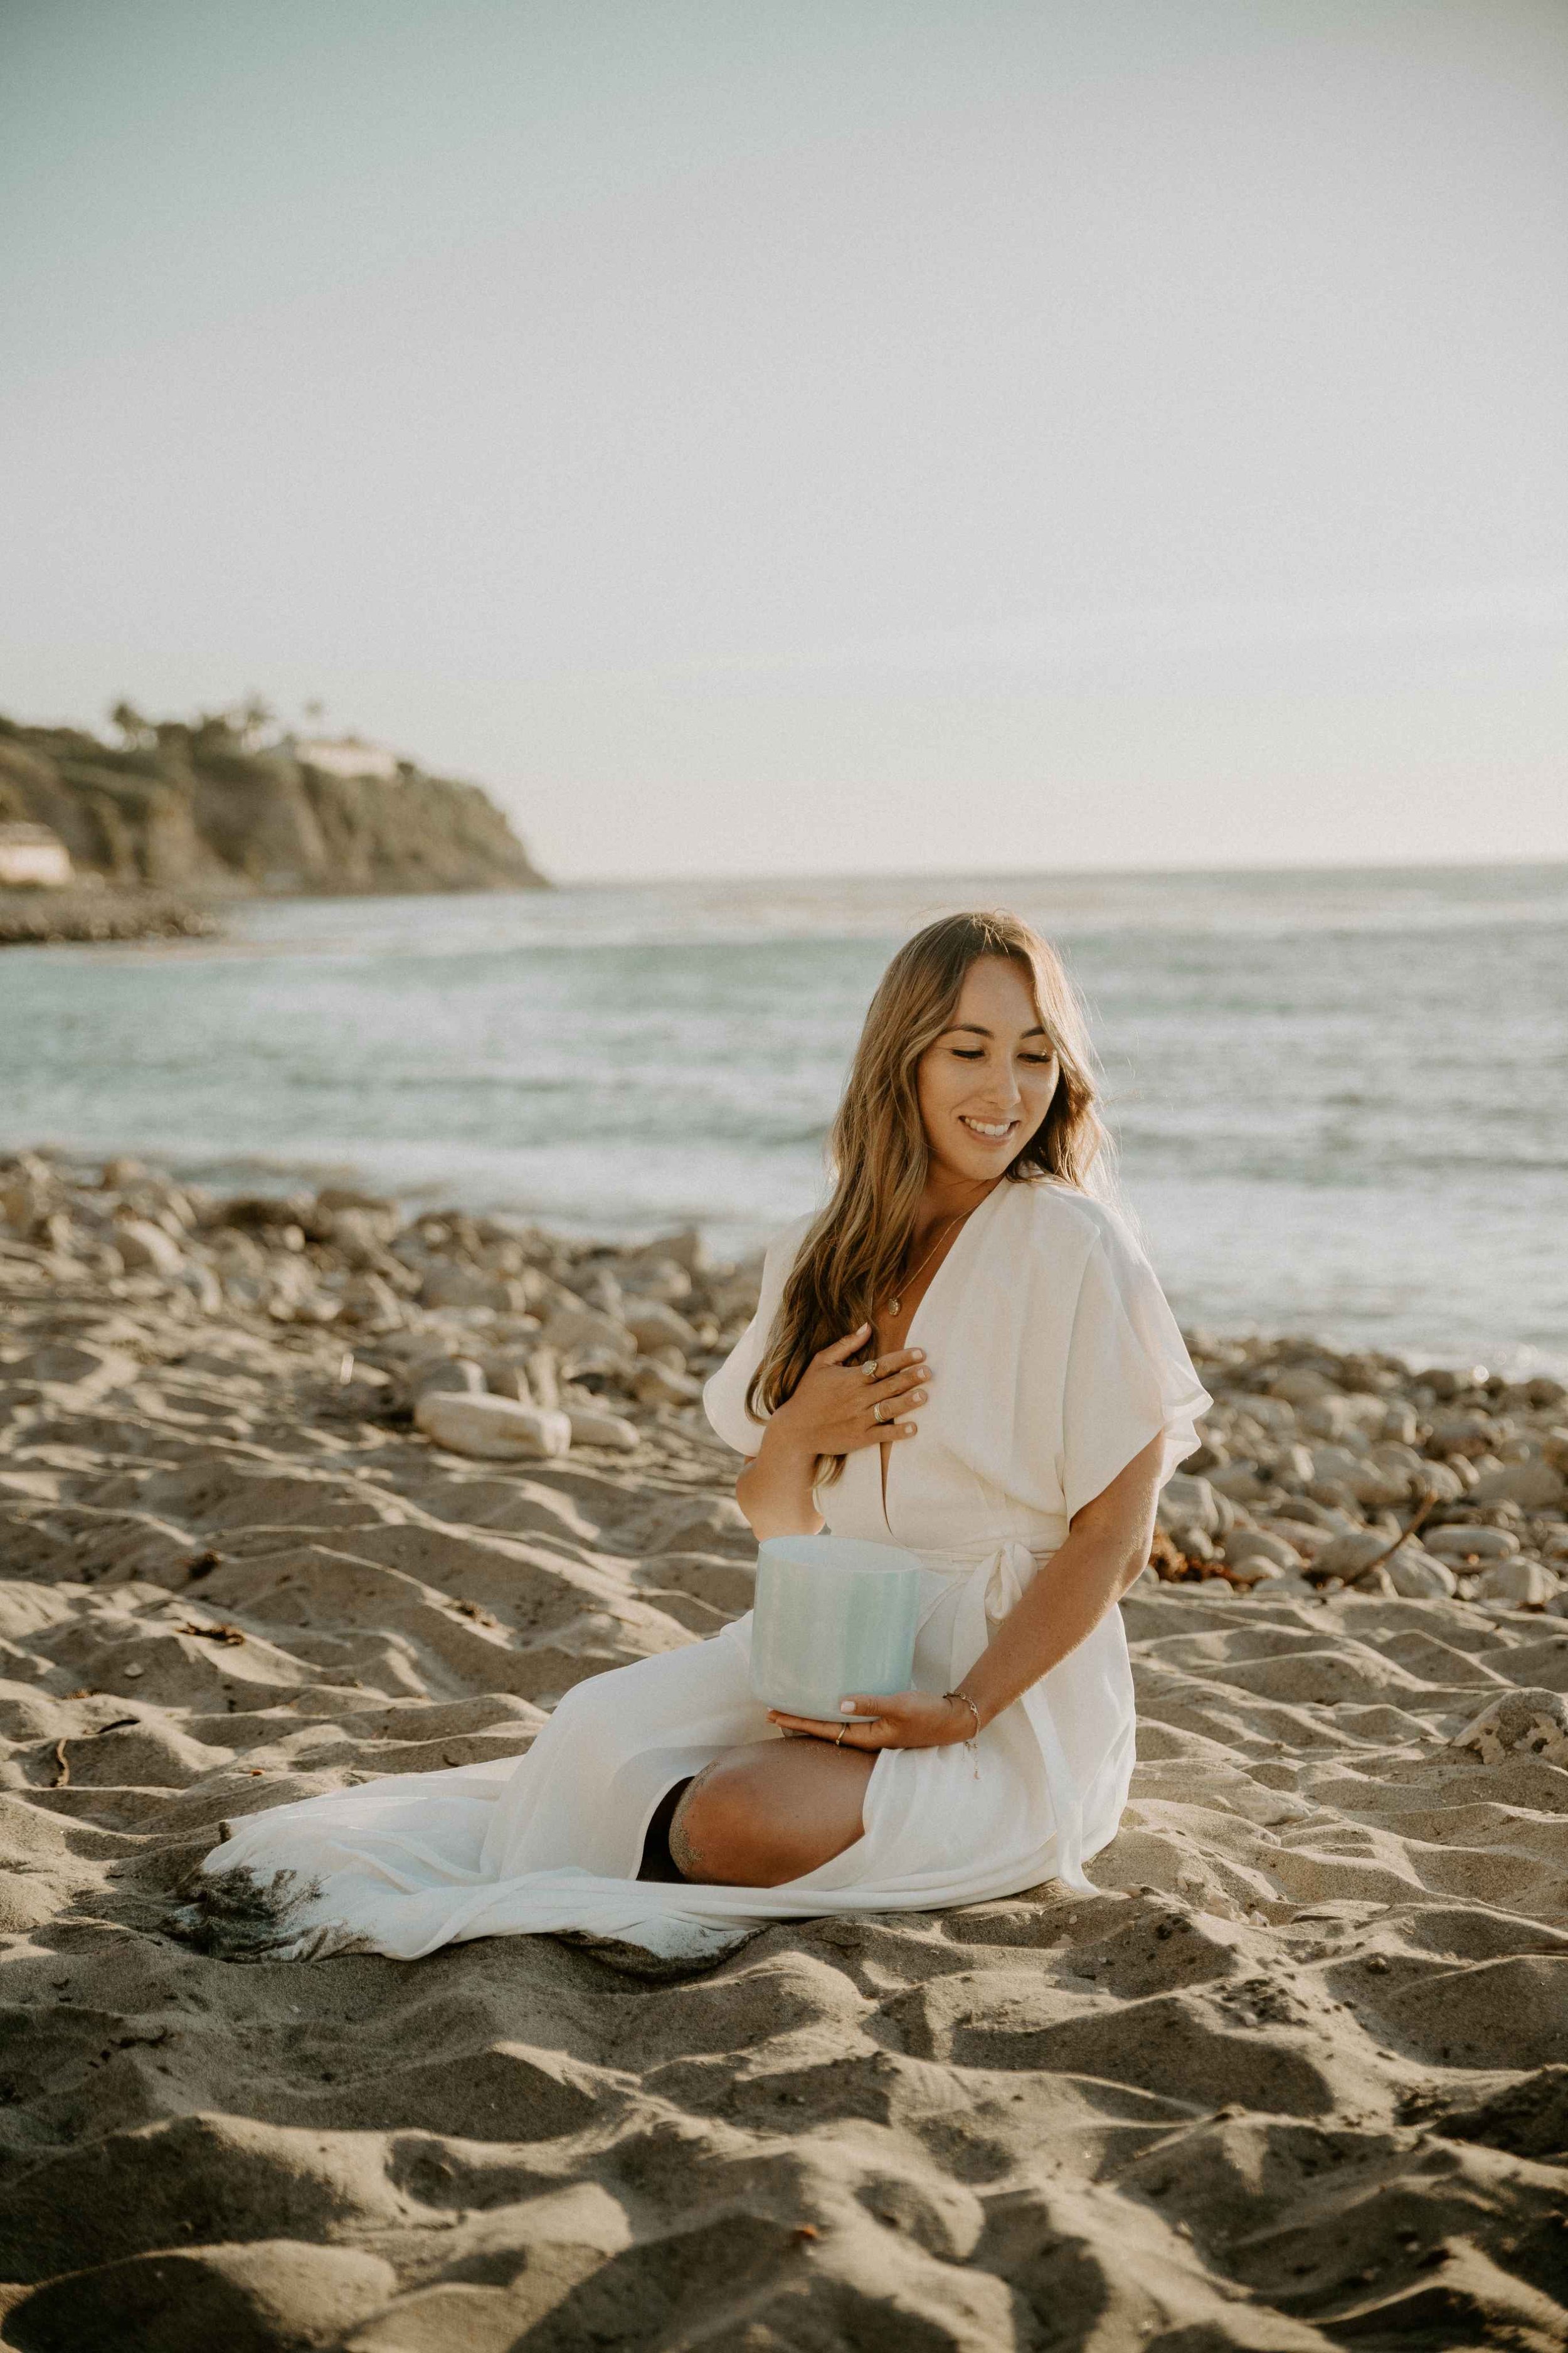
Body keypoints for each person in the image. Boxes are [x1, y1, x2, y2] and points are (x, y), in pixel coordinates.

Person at [191, 910, 1209, 1968]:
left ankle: (730, 1829)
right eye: (970, 1051)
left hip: (1012, 1703)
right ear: (901, 1058)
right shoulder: (829, 1251)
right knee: (590, 1731)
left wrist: (956, 1710)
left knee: (734, 1822)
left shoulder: (1073, 1243)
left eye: (1036, 1057)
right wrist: (798, 1435)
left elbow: (1115, 1541)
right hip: (844, 1641)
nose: (1006, 1092)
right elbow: (783, 1521)